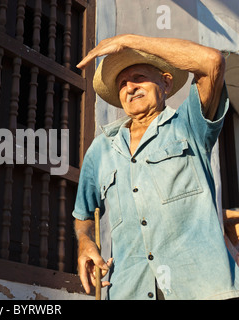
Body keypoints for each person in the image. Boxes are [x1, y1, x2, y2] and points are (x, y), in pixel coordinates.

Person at [73, 34, 239, 300]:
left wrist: (129, 42)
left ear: (166, 82)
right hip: (130, 290)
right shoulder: (101, 149)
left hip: (202, 289)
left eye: (139, 77)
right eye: (122, 83)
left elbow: (212, 62)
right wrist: (85, 243)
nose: (130, 87)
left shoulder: (188, 125)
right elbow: (82, 216)